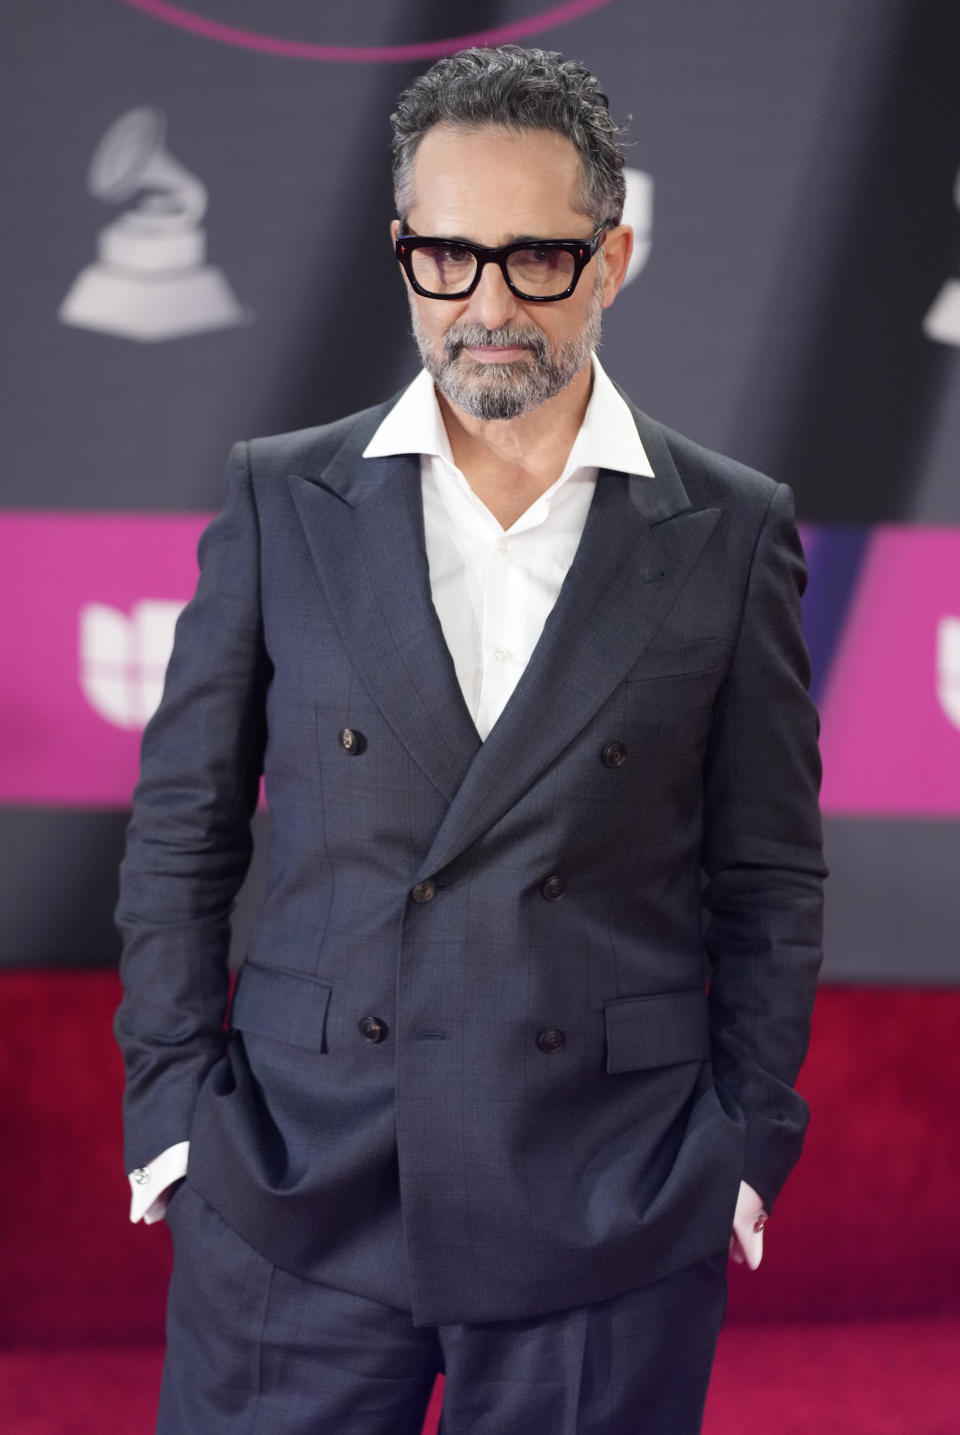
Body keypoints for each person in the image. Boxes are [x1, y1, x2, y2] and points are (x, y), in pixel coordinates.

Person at [115, 44, 825, 1435]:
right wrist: (173, 1112)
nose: (489, 304)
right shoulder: (281, 500)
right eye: (448, 255)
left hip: (607, 1202)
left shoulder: (730, 530)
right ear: (401, 255)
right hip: (292, 1188)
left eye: (538, 260)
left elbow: (769, 876)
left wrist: (737, 1150)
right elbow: (182, 830)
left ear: (610, 258)